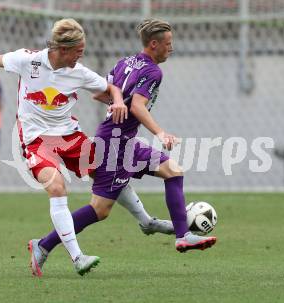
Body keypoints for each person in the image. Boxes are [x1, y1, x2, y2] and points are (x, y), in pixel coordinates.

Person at [0, 18, 172, 277]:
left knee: (106, 170)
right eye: (79, 50)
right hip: (36, 140)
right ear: (63, 49)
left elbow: (110, 87)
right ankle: (77, 257)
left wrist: (118, 100)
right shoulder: (28, 60)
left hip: (70, 136)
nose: (82, 55)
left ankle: (145, 221)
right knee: (56, 186)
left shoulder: (78, 72)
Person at [32, 18, 217, 271]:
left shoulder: (125, 62)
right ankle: (43, 245)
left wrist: (119, 104)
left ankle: (180, 234)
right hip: (114, 146)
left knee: (173, 171)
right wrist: (160, 133)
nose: (171, 48)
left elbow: (100, 93)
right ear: (154, 44)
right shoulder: (153, 71)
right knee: (99, 209)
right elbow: (137, 105)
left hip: (123, 140)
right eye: (168, 44)